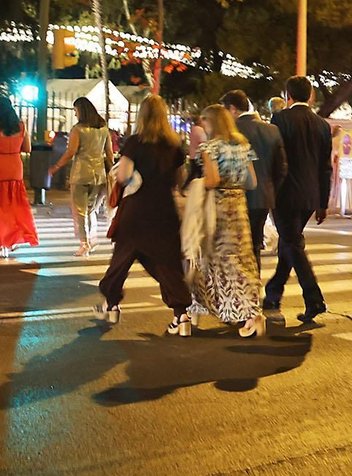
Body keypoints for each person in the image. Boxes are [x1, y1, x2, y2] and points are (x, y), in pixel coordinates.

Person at [93, 95, 194, 333]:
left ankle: (112, 303)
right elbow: (179, 181)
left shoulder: (135, 143)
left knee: (122, 258)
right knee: (167, 262)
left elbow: (123, 175)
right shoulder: (174, 145)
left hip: (137, 209)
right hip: (164, 211)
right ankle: (182, 315)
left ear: (142, 116)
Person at [184, 104, 264, 337]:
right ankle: (250, 311)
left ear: (212, 122)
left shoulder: (209, 147)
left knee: (212, 259)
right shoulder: (242, 145)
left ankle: (207, 308)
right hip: (238, 206)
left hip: (216, 208)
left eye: (205, 122)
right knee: (241, 259)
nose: (203, 127)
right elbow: (252, 182)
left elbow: (212, 180)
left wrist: (196, 184)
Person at [264, 76, 333, 322]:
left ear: (287, 96)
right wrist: (323, 203)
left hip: (285, 194)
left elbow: (275, 159)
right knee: (290, 243)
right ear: (311, 95)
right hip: (310, 196)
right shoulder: (322, 125)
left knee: (292, 244)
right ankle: (272, 294)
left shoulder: (280, 119)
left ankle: (314, 299)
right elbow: (326, 167)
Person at [222, 90, 286, 268]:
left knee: (236, 249)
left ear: (233, 109)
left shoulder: (230, 131)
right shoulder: (271, 130)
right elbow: (281, 169)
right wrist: (270, 189)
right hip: (263, 197)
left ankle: (241, 290)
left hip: (236, 198)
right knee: (255, 246)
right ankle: (253, 286)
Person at [0, 96, 40, 259]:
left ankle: (2, 242)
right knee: (14, 205)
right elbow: (28, 148)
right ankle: (11, 239)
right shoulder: (21, 127)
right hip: (15, 169)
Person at [50, 98, 112, 256]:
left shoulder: (78, 129)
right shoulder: (103, 128)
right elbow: (109, 153)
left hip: (81, 173)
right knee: (91, 209)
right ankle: (92, 238)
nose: (75, 114)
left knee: (80, 210)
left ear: (81, 110)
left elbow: (71, 152)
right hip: (99, 175)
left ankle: (84, 243)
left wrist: (56, 167)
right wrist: (110, 170)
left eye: (76, 110)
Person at [333, 129, 352, 217]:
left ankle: (348, 208)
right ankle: (343, 208)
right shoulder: (342, 150)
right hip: (345, 173)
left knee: (350, 189)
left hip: (349, 174)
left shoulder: (351, 151)